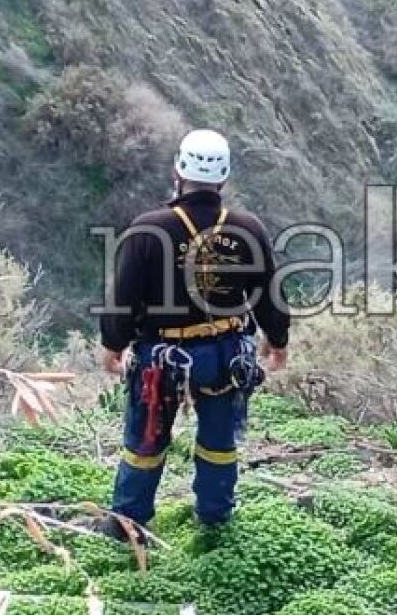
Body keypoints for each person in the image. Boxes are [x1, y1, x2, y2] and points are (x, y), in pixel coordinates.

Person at [98, 129, 290, 540]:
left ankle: (128, 525)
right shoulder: (248, 228)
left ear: (178, 172)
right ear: (223, 180)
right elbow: (269, 293)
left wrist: (113, 345)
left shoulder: (148, 229)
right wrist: (278, 339)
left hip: (162, 357)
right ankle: (215, 519)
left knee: (147, 441)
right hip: (226, 355)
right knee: (219, 440)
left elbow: (124, 296)